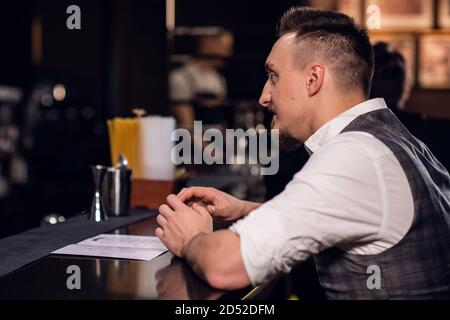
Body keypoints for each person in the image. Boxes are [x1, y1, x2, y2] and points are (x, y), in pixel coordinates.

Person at [155, 7, 450, 299]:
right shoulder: (392, 141)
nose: (264, 97)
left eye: (274, 77)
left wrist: (191, 238)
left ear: (313, 79)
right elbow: (343, 215)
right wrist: (244, 209)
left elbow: (225, 266)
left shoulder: (354, 155)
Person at [169, 30, 234, 130]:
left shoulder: (217, 78)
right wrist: (211, 146)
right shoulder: (180, 77)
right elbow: (189, 128)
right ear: (207, 43)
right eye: (224, 47)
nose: (228, 53)